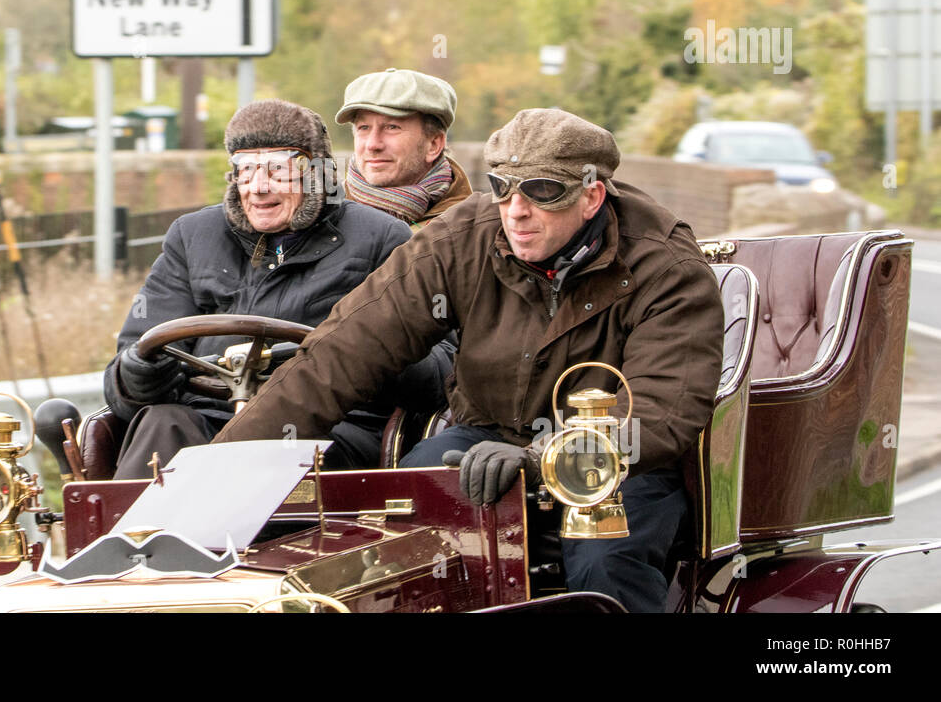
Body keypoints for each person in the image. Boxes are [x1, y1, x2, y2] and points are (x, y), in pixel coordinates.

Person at [214, 108, 725, 612]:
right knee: (398, 528)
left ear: (592, 196)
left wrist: (540, 460)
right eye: (502, 187)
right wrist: (218, 470)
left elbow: (660, 412)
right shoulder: (463, 237)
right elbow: (341, 352)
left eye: (543, 192)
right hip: (485, 432)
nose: (516, 210)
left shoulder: (667, 267)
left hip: (613, 460)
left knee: (605, 560)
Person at [103, 99, 452, 479]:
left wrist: (370, 346)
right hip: (205, 418)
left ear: (317, 174)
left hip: (327, 428)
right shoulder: (192, 236)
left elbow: (439, 371)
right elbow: (132, 361)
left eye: (279, 171)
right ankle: (136, 536)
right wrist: (140, 372)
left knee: (275, 455)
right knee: (161, 422)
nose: (258, 187)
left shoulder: (382, 238)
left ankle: (222, 533)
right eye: (246, 170)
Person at [337, 68, 472, 229]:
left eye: (392, 127)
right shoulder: (322, 218)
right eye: (364, 127)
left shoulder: (473, 229)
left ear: (434, 144)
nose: (372, 145)